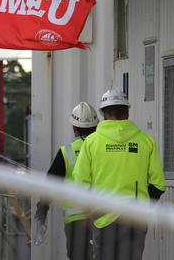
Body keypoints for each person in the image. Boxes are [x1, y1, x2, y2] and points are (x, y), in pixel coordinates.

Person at [73, 89, 165, 260]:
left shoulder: (92, 143)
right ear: (127, 112)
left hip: (102, 217)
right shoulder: (145, 141)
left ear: (103, 114)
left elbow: (80, 184)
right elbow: (158, 185)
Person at [35, 102, 100, 260]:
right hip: (103, 218)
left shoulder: (67, 152)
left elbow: (50, 185)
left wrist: (41, 212)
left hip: (76, 221)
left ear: (74, 129)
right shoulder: (104, 149)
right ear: (96, 126)